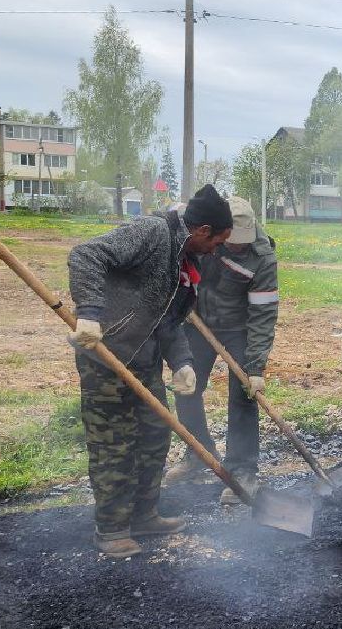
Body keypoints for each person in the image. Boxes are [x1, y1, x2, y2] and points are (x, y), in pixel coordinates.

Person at [67, 185, 233, 557]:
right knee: (114, 444)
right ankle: (111, 529)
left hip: (145, 359)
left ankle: (144, 514)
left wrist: (183, 361)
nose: (216, 249)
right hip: (106, 354)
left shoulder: (186, 259)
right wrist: (90, 314)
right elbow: (86, 255)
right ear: (203, 230)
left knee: (155, 434)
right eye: (218, 240)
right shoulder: (153, 233)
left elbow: (169, 319)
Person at [169, 196, 279, 504]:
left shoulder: (262, 258)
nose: (235, 246)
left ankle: (242, 471)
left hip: (239, 329)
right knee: (185, 386)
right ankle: (198, 453)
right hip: (197, 321)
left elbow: (263, 314)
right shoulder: (200, 230)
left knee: (244, 394)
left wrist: (255, 368)